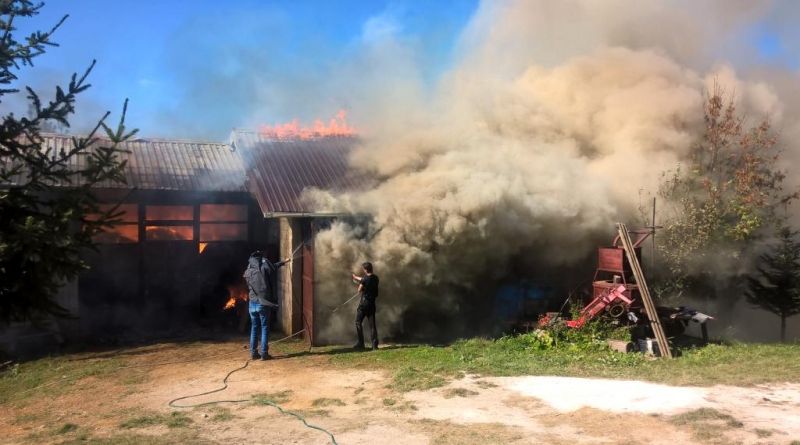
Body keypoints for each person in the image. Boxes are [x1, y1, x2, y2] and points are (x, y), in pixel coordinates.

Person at [244, 251, 291, 360]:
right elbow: (271, 268)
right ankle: (264, 353)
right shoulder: (264, 268)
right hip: (263, 303)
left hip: (252, 304)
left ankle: (253, 353)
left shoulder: (248, 271)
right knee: (265, 328)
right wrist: (284, 262)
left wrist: (283, 262)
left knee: (254, 328)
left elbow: (271, 267)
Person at [351, 262, 379, 350]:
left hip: (364, 304)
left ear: (365, 269)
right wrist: (356, 277)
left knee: (358, 322)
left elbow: (359, 290)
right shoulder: (376, 278)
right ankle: (374, 344)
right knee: (372, 325)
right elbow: (365, 279)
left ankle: (361, 343)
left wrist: (360, 282)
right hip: (372, 303)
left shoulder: (364, 279)